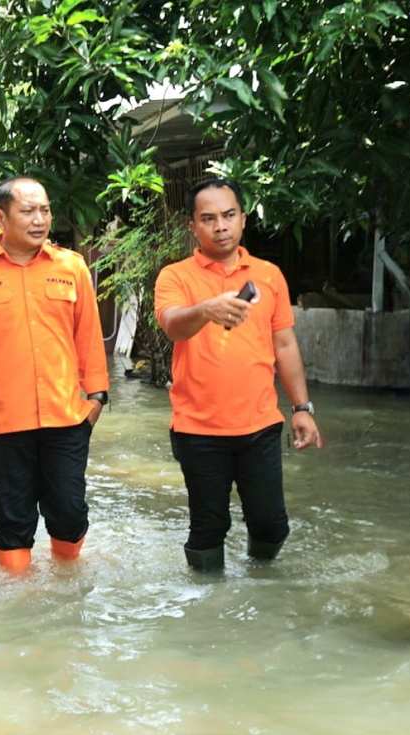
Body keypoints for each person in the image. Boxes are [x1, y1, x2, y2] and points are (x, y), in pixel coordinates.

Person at [154, 177, 324, 571]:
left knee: (271, 526)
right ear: (192, 226)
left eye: (229, 215)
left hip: (260, 425)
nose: (221, 226)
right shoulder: (175, 276)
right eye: (208, 218)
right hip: (198, 429)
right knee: (208, 528)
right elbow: (172, 325)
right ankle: (210, 611)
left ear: (244, 219)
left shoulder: (269, 275)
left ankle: (261, 586)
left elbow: (284, 345)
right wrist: (204, 310)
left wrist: (302, 407)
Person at [0, 176, 110, 571]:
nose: (40, 220)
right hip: (4, 423)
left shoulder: (71, 267)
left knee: (69, 514)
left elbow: (88, 337)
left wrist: (97, 399)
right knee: (14, 520)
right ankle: (18, 611)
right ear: (0, 217)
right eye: (28, 211)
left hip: (67, 417)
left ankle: (67, 592)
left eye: (45, 210)